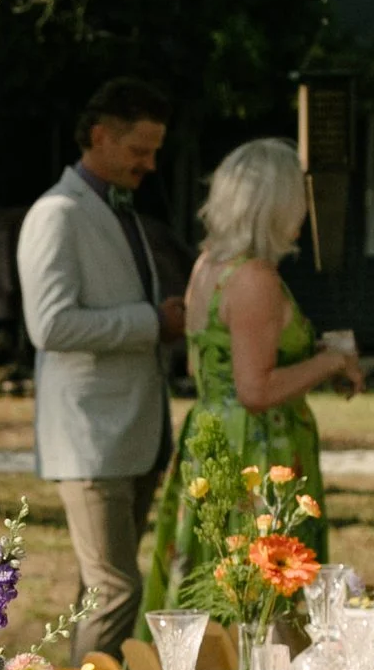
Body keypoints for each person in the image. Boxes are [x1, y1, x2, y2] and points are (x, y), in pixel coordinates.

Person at [143, 134, 358, 604]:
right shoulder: (255, 278)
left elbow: (233, 358)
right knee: (256, 589)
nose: (304, 211)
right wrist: (332, 361)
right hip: (255, 448)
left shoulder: (210, 265)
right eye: (298, 200)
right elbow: (255, 389)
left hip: (213, 431)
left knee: (213, 573)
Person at [16, 76, 187, 663]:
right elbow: (50, 326)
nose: (151, 164)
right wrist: (150, 323)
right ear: (98, 138)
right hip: (90, 438)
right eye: (140, 150)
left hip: (133, 432)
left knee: (99, 589)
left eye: (156, 151)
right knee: (117, 589)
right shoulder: (56, 214)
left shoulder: (119, 210)